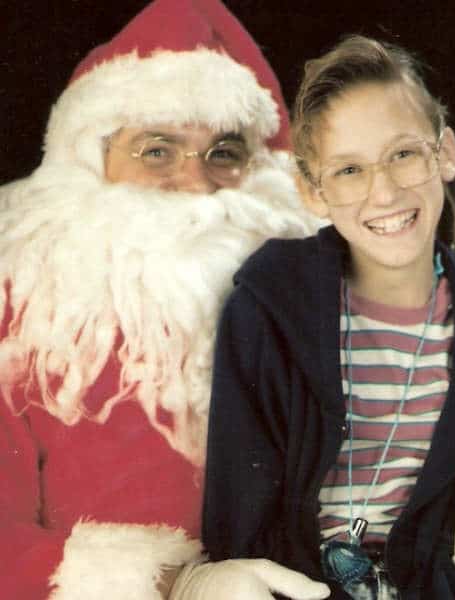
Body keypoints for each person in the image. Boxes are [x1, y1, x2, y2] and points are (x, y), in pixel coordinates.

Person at [203, 35, 455, 599]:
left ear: (444, 154)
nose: (384, 192)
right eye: (349, 170)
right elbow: (238, 516)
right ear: (312, 190)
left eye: (403, 154)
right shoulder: (266, 310)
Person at [0, 1, 332, 598]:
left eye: (224, 154)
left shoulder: (315, 275)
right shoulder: (19, 306)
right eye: (157, 151)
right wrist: (171, 585)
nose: (196, 183)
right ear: (90, 158)